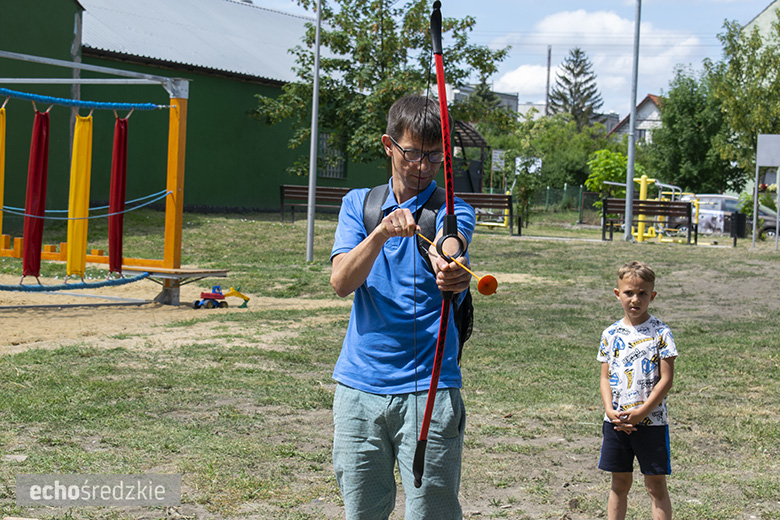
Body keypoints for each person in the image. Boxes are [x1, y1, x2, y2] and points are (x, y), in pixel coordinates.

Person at [329, 95, 476, 520]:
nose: (424, 167)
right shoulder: (359, 204)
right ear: (388, 145)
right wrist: (379, 235)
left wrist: (451, 267)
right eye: (413, 154)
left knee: (431, 512)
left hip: (429, 389)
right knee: (362, 512)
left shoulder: (452, 208)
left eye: (435, 156)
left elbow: (452, 241)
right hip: (359, 390)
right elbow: (341, 282)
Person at [597, 261, 679, 520]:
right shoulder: (610, 334)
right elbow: (604, 377)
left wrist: (642, 412)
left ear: (652, 296)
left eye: (643, 293)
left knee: (655, 487)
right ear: (617, 294)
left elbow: (666, 380)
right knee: (619, 484)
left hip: (652, 423)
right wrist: (610, 411)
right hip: (616, 422)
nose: (635, 299)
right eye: (629, 292)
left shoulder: (661, 333)